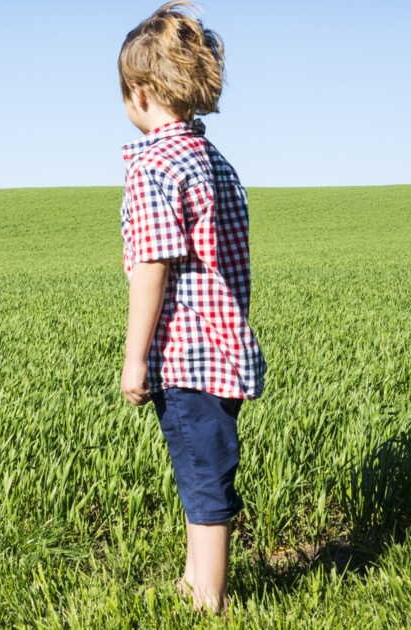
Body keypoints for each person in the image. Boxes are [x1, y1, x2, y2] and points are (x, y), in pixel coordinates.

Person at [116, 0, 267, 614]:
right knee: (203, 464)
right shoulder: (213, 160)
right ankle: (191, 579)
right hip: (226, 349)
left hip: (186, 355)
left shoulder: (154, 165)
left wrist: (135, 359)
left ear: (141, 92)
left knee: (204, 479)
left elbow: (151, 267)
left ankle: (209, 599)